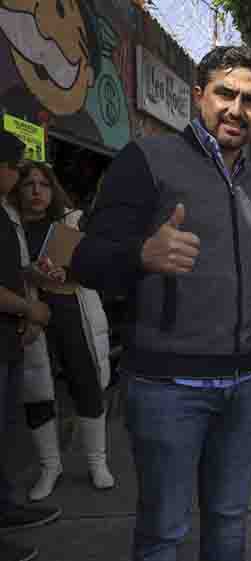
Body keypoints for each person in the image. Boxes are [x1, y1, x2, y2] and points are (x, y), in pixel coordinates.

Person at [69, 45, 251, 561]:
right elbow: (87, 259)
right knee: (165, 533)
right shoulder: (147, 158)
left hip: (246, 386)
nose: (236, 108)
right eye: (225, 93)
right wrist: (142, 254)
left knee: (229, 525)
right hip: (167, 390)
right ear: (198, 94)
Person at [9, 161, 113, 501]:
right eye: (29, 185)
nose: (37, 191)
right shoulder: (11, 228)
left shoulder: (72, 221)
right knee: (37, 392)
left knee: (86, 382)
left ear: (53, 190)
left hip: (74, 312)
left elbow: (99, 263)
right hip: (32, 319)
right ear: (17, 190)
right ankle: (49, 467)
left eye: (43, 184)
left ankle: (98, 462)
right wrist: (31, 276)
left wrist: (70, 267)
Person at [0, 130, 61, 561]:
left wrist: (33, 279)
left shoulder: (5, 216)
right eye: (14, 169)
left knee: (5, 433)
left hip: (9, 340)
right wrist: (30, 308)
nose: (19, 176)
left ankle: (5, 509)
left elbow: (10, 269)